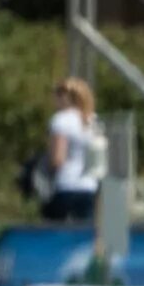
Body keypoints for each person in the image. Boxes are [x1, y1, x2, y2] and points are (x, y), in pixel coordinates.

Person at [42, 77, 103, 224]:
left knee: (56, 232)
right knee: (83, 233)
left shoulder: (61, 120)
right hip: (89, 186)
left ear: (65, 97)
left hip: (66, 183)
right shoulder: (93, 121)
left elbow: (58, 158)